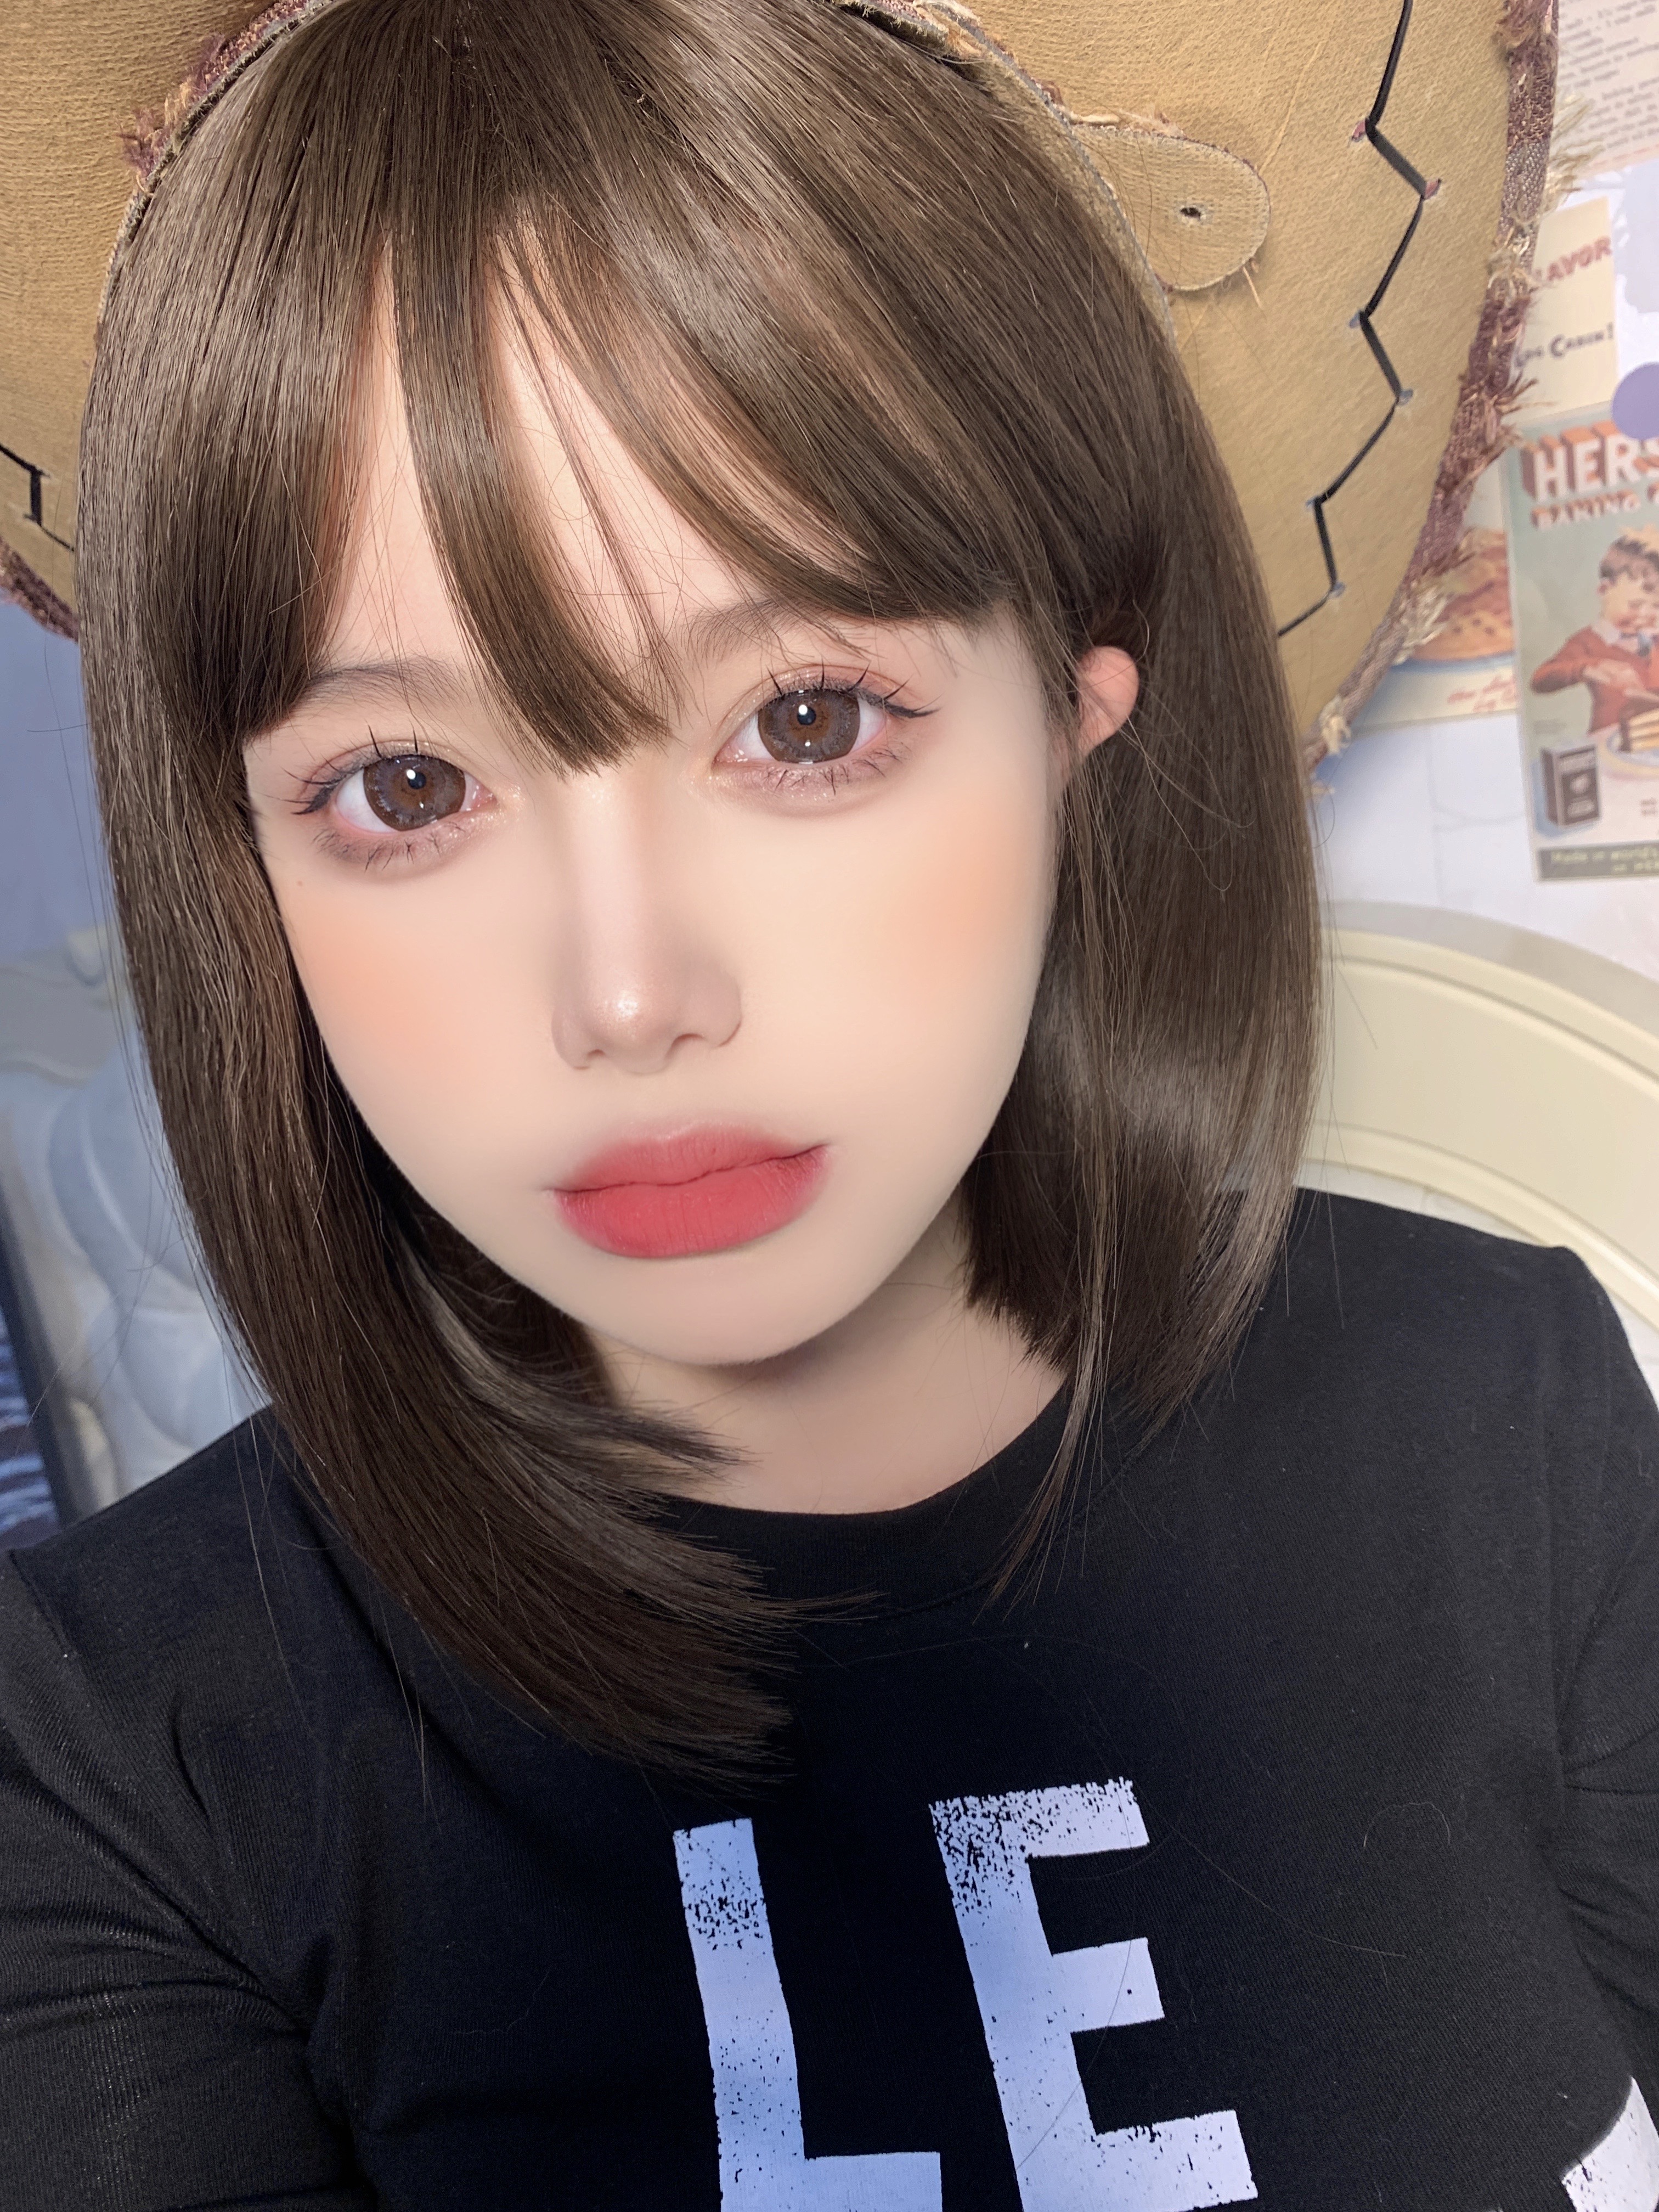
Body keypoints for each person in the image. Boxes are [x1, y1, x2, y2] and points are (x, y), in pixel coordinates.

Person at [0, 0, 1655, 2205]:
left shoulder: (1507, 1406)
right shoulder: (123, 1749)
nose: (627, 994)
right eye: (402, 785)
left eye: (804, 719)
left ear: (1070, 719)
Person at [1530, 528, 1659, 746]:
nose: (1646, 615)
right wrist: (1588, 668)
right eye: (1636, 605)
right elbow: (1540, 680)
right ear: (1604, 590)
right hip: (1609, 746)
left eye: (1656, 606)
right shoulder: (1588, 642)